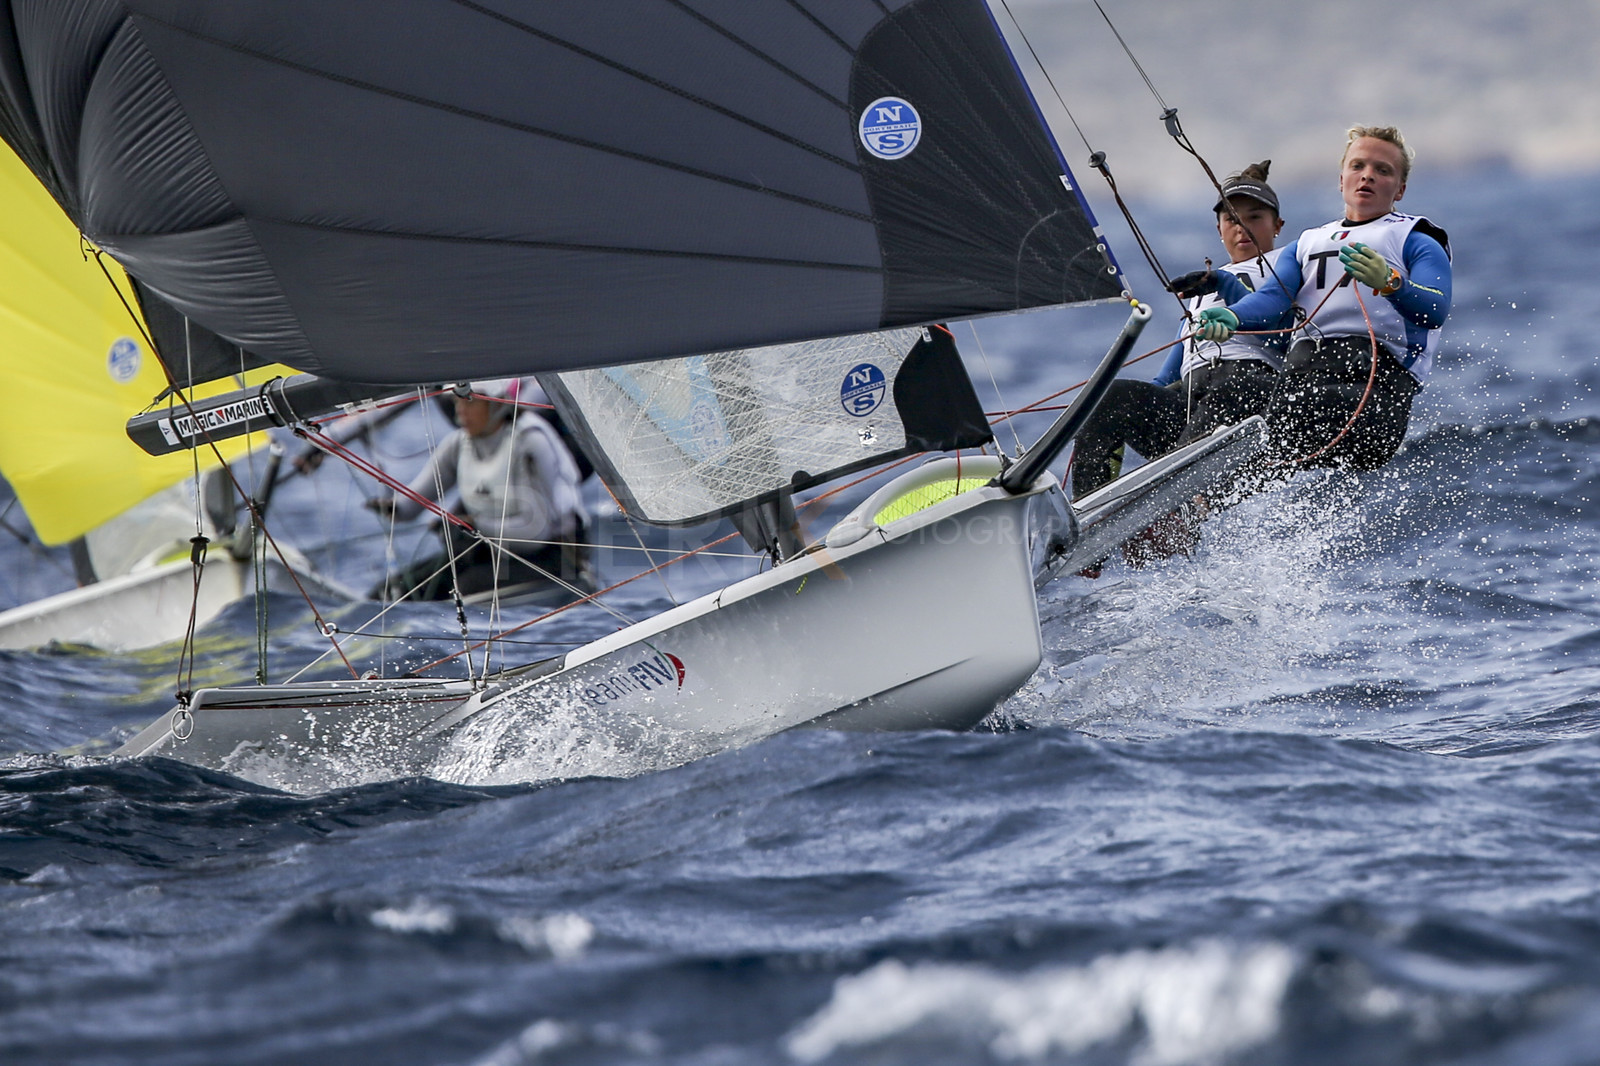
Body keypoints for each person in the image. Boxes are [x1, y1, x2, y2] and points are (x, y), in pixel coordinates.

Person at [1194, 126, 1452, 478]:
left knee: (1276, 418)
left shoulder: (1416, 239)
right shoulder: (1308, 242)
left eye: (1383, 170)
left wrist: (1391, 284)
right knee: (1238, 395)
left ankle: (1198, 495)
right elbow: (1272, 301)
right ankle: (1180, 507)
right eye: (1358, 166)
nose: (1368, 176)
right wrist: (1230, 316)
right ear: (1341, 179)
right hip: (1302, 383)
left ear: (1400, 189)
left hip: (1373, 397)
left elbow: (1434, 310)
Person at [1070, 160, 1293, 501]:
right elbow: (1169, 375)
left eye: (1255, 218)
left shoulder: (1285, 269)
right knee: (1113, 397)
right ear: (1219, 228)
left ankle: (1179, 503)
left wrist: (1227, 285)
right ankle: (1087, 514)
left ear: (1277, 225)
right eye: (1232, 219)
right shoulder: (1202, 289)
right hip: (1194, 402)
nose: (1242, 228)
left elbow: (1283, 338)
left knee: (1235, 386)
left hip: (1249, 398)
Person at [366, 380, 591, 601]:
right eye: (456, 402)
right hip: (488, 550)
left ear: (496, 404)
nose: (460, 411)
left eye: (470, 402)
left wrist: (475, 526)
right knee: (392, 591)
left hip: (550, 556)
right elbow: (412, 505)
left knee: (466, 588)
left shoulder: (529, 440)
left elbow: (536, 533)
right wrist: (393, 508)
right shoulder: (458, 443)